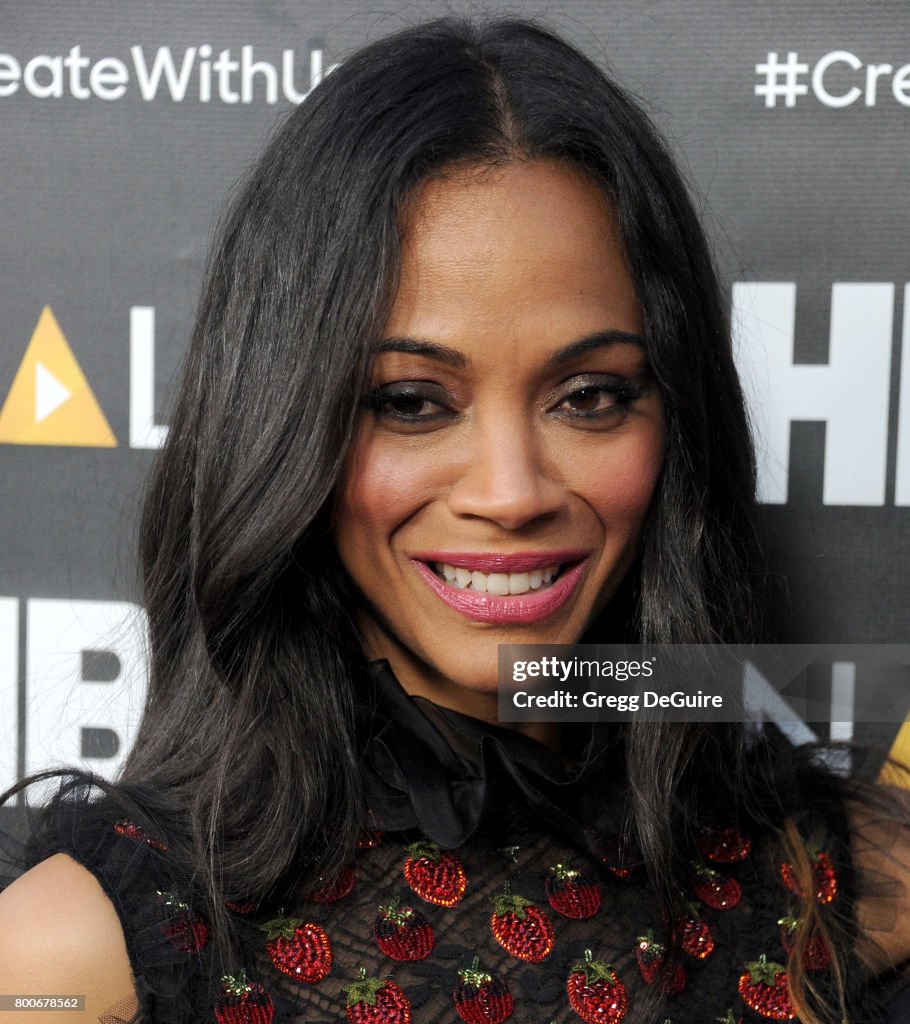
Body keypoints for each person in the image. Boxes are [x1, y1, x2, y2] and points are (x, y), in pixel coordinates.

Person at [1, 13, 909, 1024]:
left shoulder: (840, 881)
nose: (512, 491)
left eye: (591, 396)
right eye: (411, 402)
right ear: (285, 430)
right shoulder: (73, 958)